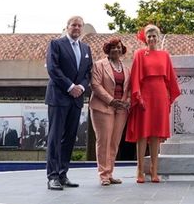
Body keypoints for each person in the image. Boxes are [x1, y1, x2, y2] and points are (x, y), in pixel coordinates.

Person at [126, 24, 181, 184]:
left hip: (160, 96)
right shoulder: (139, 54)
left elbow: (170, 78)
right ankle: (140, 170)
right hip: (144, 95)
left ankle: (154, 170)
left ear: (158, 37)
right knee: (142, 134)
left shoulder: (165, 55)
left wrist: (169, 97)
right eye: (149, 36)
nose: (151, 38)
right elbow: (135, 76)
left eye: (154, 36)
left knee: (156, 133)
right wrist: (138, 95)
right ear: (145, 38)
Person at [44, 16, 93, 191]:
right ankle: (52, 176)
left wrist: (80, 86)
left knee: (69, 138)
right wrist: (70, 86)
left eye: (80, 26)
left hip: (76, 99)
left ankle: (63, 174)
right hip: (59, 97)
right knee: (55, 137)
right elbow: (53, 69)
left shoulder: (86, 48)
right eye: (74, 25)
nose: (77, 28)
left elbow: (88, 72)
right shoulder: (56, 44)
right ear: (67, 27)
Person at [90, 38, 131, 186]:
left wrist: (126, 101)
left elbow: (128, 88)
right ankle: (103, 175)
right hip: (103, 107)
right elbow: (95, 85)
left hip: (120, 110)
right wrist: (111, 100)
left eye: (119, 47)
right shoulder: (99, 65)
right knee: (104, 141)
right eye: (113, 47)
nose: (116, 50)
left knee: (114, 142)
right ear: (108, 49)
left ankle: (110, 172)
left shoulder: (126, 69)